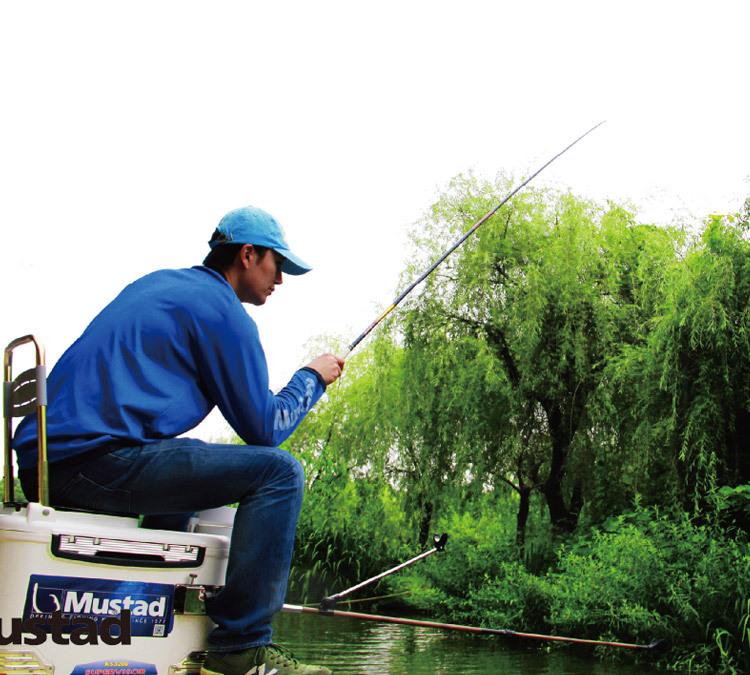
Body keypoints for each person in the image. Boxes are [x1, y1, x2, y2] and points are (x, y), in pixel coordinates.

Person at [13, 206, 344, 675]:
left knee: (194, 471)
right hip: (90, 463)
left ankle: (152, 607)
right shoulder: (221, 311)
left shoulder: (163, 285)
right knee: (279, 472)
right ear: (248, 255)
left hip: (45, 465)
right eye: (278, 264)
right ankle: (241, 649)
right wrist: (311, 378)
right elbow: (266, 428)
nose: (281, 280)